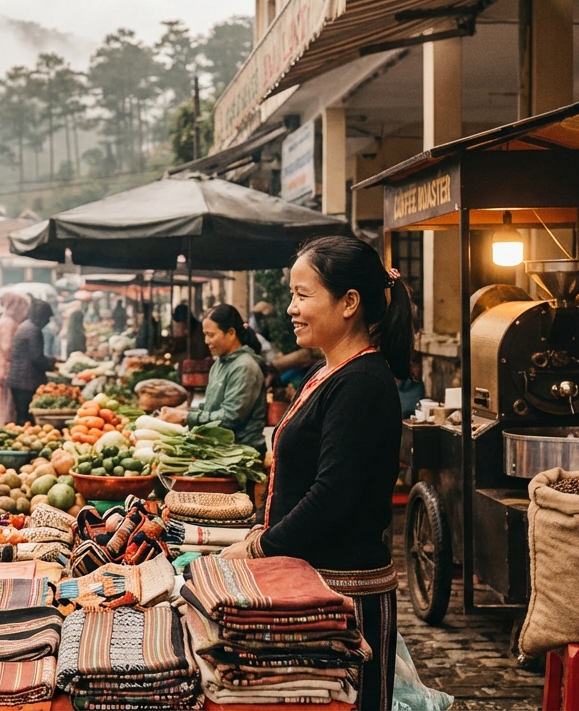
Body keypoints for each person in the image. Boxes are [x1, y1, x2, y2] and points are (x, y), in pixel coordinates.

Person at [219, 235, 414, 711]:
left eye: (303, 295)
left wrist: (259, 546)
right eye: (291, 295)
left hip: (346, 598)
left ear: (349, 302)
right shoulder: (329, 371)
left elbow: (333, 495)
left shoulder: (363, 384)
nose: (291, 308)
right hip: (314, 588)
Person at [158, 304, 268, 451]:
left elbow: (230, 417)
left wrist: (185, 417)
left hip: (241, 451)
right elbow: (210, 407)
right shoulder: (219, 364)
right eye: (205, 335)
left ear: (231, 333)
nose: (206, 341)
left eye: (211, 335)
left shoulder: (245, 367)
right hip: (220, 446)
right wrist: (183, 412)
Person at [5, 300, 57, 425]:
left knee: (22, 415)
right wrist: (51, 365)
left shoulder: (25, 326)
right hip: (25, 382)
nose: (48, 321)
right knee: (25, 418)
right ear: (41, 316)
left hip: (19, 380)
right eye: (47, 317)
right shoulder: (33, 330)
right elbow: (37, 358)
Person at [0, 291, 30, 425]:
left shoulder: (5, 321)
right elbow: (7, 348)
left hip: (5, 370)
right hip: (7, 371)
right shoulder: (8, 323)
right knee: (7, 408)